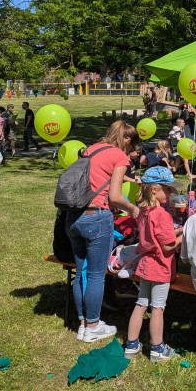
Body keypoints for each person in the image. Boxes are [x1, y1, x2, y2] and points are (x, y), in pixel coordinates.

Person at [67, 120, 142, 343]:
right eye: (132, 146)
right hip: (96, 217)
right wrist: (133, 209)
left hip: (73, 216)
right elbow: (115, 197)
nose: (131, 152)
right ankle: (92, 326)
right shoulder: (119, 156)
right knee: (97, 275)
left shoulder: (91, 149)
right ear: (127, 139)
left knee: (81, 272)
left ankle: (82, 323)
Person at [123, 167, 184, 362]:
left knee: (141, 303)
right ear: (156, 190)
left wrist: (178, 230)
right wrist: (185, 234)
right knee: (158, 308)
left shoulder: (143, 212)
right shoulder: (163, 215)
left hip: (146, 265)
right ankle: (157, 348)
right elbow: (167, 247)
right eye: (169, 189)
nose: (172, 193)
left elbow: (156, 237)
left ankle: (131, 345)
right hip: (160, 267)